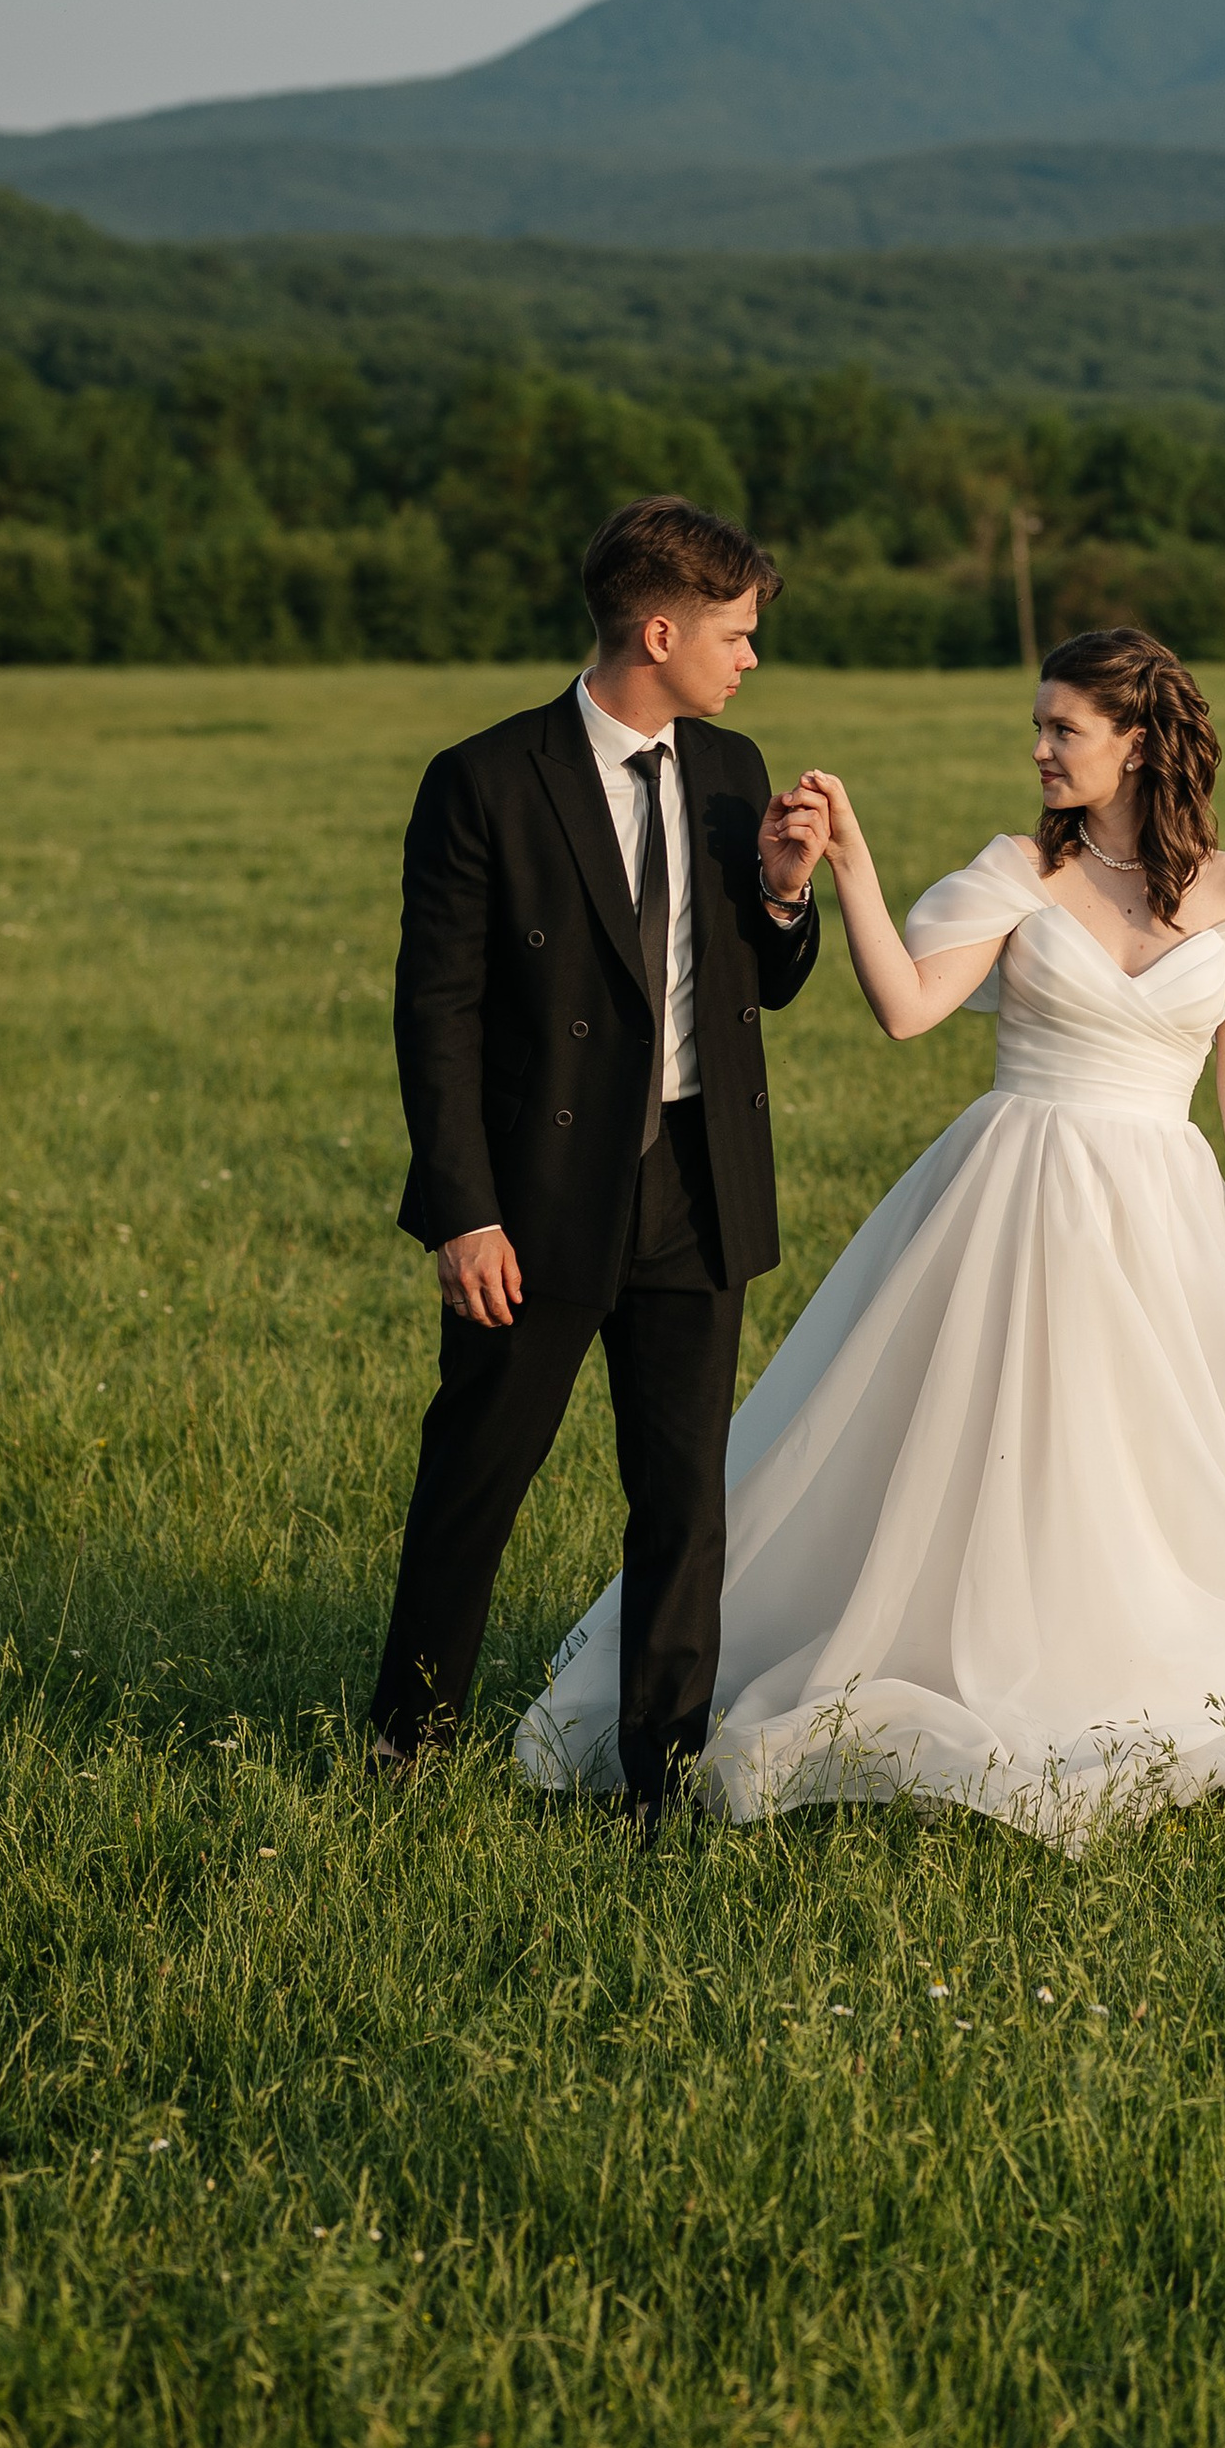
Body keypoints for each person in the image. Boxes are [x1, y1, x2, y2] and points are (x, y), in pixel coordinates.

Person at [519, 626, 1225, 1842]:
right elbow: (905, 1009)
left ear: (1137, 742)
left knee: (1141, 1448)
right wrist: (857, 870)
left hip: (1158, 1205)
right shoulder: (1014, 872)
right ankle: (967, 1641)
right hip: (1016, 1188)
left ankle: (1116, 1642)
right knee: (997, 1432)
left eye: (1064, 730)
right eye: (1036, 727)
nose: (1039, 749)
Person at [368, 495, 828, 1817]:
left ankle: (661, 1777)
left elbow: (766, 985)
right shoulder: (485, 780)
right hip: (536, 1201)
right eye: (736, 636)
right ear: (659, 627)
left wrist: (787, 892)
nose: (749, 660)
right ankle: (409, 1745)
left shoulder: (736, 774)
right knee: (477, 1478)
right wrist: (464, 1211)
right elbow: (435, 1013)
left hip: (697, 1184)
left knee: (685, 1497)